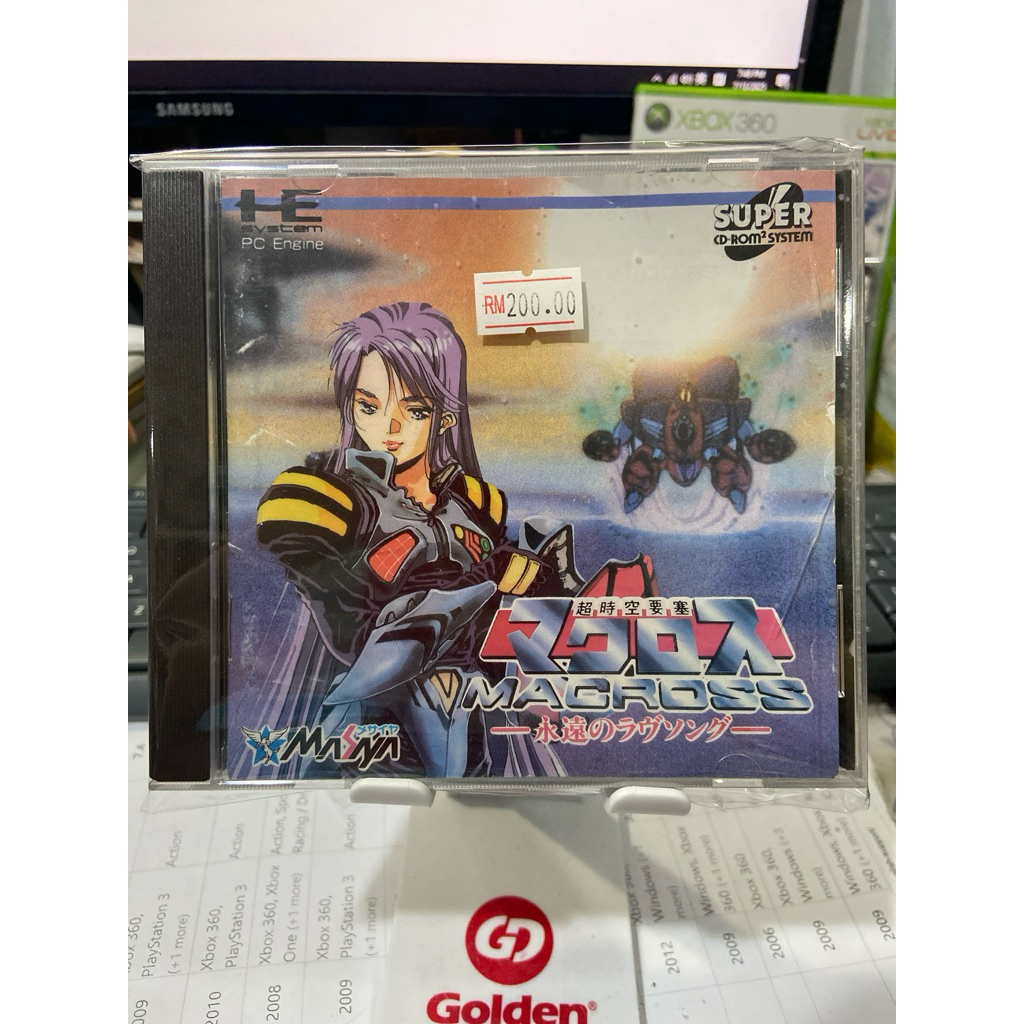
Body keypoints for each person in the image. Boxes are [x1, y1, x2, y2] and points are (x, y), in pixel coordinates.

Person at [255, 301, 563, 778]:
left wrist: (543, 580)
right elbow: (357, 634)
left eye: (414, 409)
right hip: (378, 733)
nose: (390, 427)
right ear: (350, 405)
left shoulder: (475, 503)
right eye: (369, 406)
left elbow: (517, 613)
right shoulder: (331, 503)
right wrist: (484, 578)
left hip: (475, 718)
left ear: (445, 417)